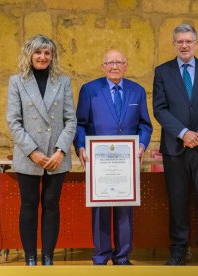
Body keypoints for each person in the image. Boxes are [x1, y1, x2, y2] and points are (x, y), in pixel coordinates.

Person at [153, 24, 198, 266]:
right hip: (175, 147)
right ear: (174, 44)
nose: (184, 45)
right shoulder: (162, 72)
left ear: (195, 43)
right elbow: (160, 109)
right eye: (179, 42)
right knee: (177, 199)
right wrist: (184, 133)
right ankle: (178, 249)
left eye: (188, 41)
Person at [74, 49, 152, 265]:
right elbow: (80, 124)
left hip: (126, 161)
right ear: (103, 66)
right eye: (110, 63)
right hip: (99, 161)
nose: (114, 66)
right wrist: (80, 147)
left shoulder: (137, 91)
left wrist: (142, 145)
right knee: (100, 209)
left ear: (126, 66)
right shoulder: (89, 90)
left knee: (124, 209)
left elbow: (145, 125)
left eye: (119, 62)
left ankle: (122, 256)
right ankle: (101, 255)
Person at [6, 34, 77, 266]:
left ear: (52, 56)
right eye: (38, 52)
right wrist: (32, 151)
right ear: (30, 54)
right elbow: (13, 121)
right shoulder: (17, 81)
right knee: (28, 204)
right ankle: (30, 258)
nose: (42, 57)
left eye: (47, 53)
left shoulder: (63, 82)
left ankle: (47, 257)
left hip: (56, 156)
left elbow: (71, 121)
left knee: (51, 204)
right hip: (29, 156)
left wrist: (61, 151)